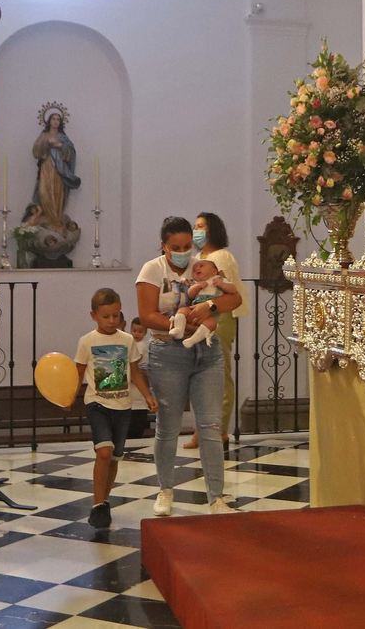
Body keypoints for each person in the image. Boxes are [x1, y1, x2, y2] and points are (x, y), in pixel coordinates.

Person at [137, 216, 244, 516]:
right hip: (168, 353)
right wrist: (176, 323)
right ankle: (165, 490)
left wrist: (208, 307)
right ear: (164, 245)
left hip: (206, 352)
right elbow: (145, 315)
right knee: (169, 426)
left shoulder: (204, 266)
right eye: (176, 247)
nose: (183, 252)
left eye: (187, 245)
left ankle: (216, 498)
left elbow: (231, 299)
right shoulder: (152, 269)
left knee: (210, 426)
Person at [74, 288, 155, 528]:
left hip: (123, 406)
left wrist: (147, 396)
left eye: (116, 316)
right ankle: (98, 504)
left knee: (115, 457)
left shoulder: (127, 340)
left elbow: (135, 373)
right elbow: (77, 373)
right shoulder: (87, 341)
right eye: (105, 316)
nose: (111, 321)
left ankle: (105, 501)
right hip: (97, 403)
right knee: (104, 452)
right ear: (94, 316)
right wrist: (69, 397)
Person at [191, 212, 247, 450]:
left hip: (221, 317)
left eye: (201, 226)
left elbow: (227, 290)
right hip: (200, 318)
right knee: (200, 375)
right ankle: (201, 429)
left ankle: (220, 430)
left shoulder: (222, 256)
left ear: (212, 229)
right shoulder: (197, 257)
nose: (197, 230)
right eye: (195, 226)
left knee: (220, 374)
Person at [169, 259, 238, 347]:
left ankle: (193, 340)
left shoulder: (220, 279)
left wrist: (222, 285)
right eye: (194, 270)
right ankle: (179, 329)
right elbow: (190, 294)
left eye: (201, 266)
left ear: (214, 271)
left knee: (212, 323)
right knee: (182, 310)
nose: (197, 269)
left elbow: (233, 290)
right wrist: (198, 286)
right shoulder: (196, 283)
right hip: (195, 306)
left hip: (212, 313)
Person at [126, 317, 154, 448]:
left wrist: (127, 371)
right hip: (130, 398)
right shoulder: (131, 343)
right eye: (134, 331)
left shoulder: (141, 345)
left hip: (139, 397)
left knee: (135, 435)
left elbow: (135, 364)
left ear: (145, 332)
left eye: (140, 331)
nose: (136, 334)